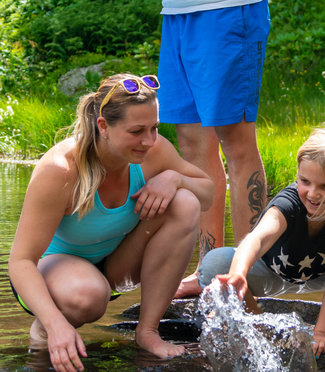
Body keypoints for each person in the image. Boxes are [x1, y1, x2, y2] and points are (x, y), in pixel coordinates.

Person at [8, 73, 214, 372]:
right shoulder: (61, 170)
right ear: (103, 126)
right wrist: (54, 325)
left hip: (115, 264)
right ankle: (43, 335)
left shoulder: (154, 152)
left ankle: (147, 333)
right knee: (88, 296)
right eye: (137, 131)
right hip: (54, 271)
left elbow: (206, 195)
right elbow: (21, 261)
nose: (149, 141)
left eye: (155, 128)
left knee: (185, 201)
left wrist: (175, 177)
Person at [197, 129, 325, 357]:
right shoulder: (288, 203)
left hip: (319, 273)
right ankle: (256, 323)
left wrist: (321, 331)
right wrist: (238, 274)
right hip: (268, 274)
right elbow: (257, 239)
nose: (313, 193)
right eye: (305, 181)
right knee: (215, 263)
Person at [156, 0, 271, 298]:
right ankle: (208, 269)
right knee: (192, 144)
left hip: (227, 10)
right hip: (175, 14)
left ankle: (250, 270)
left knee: (236, 143)